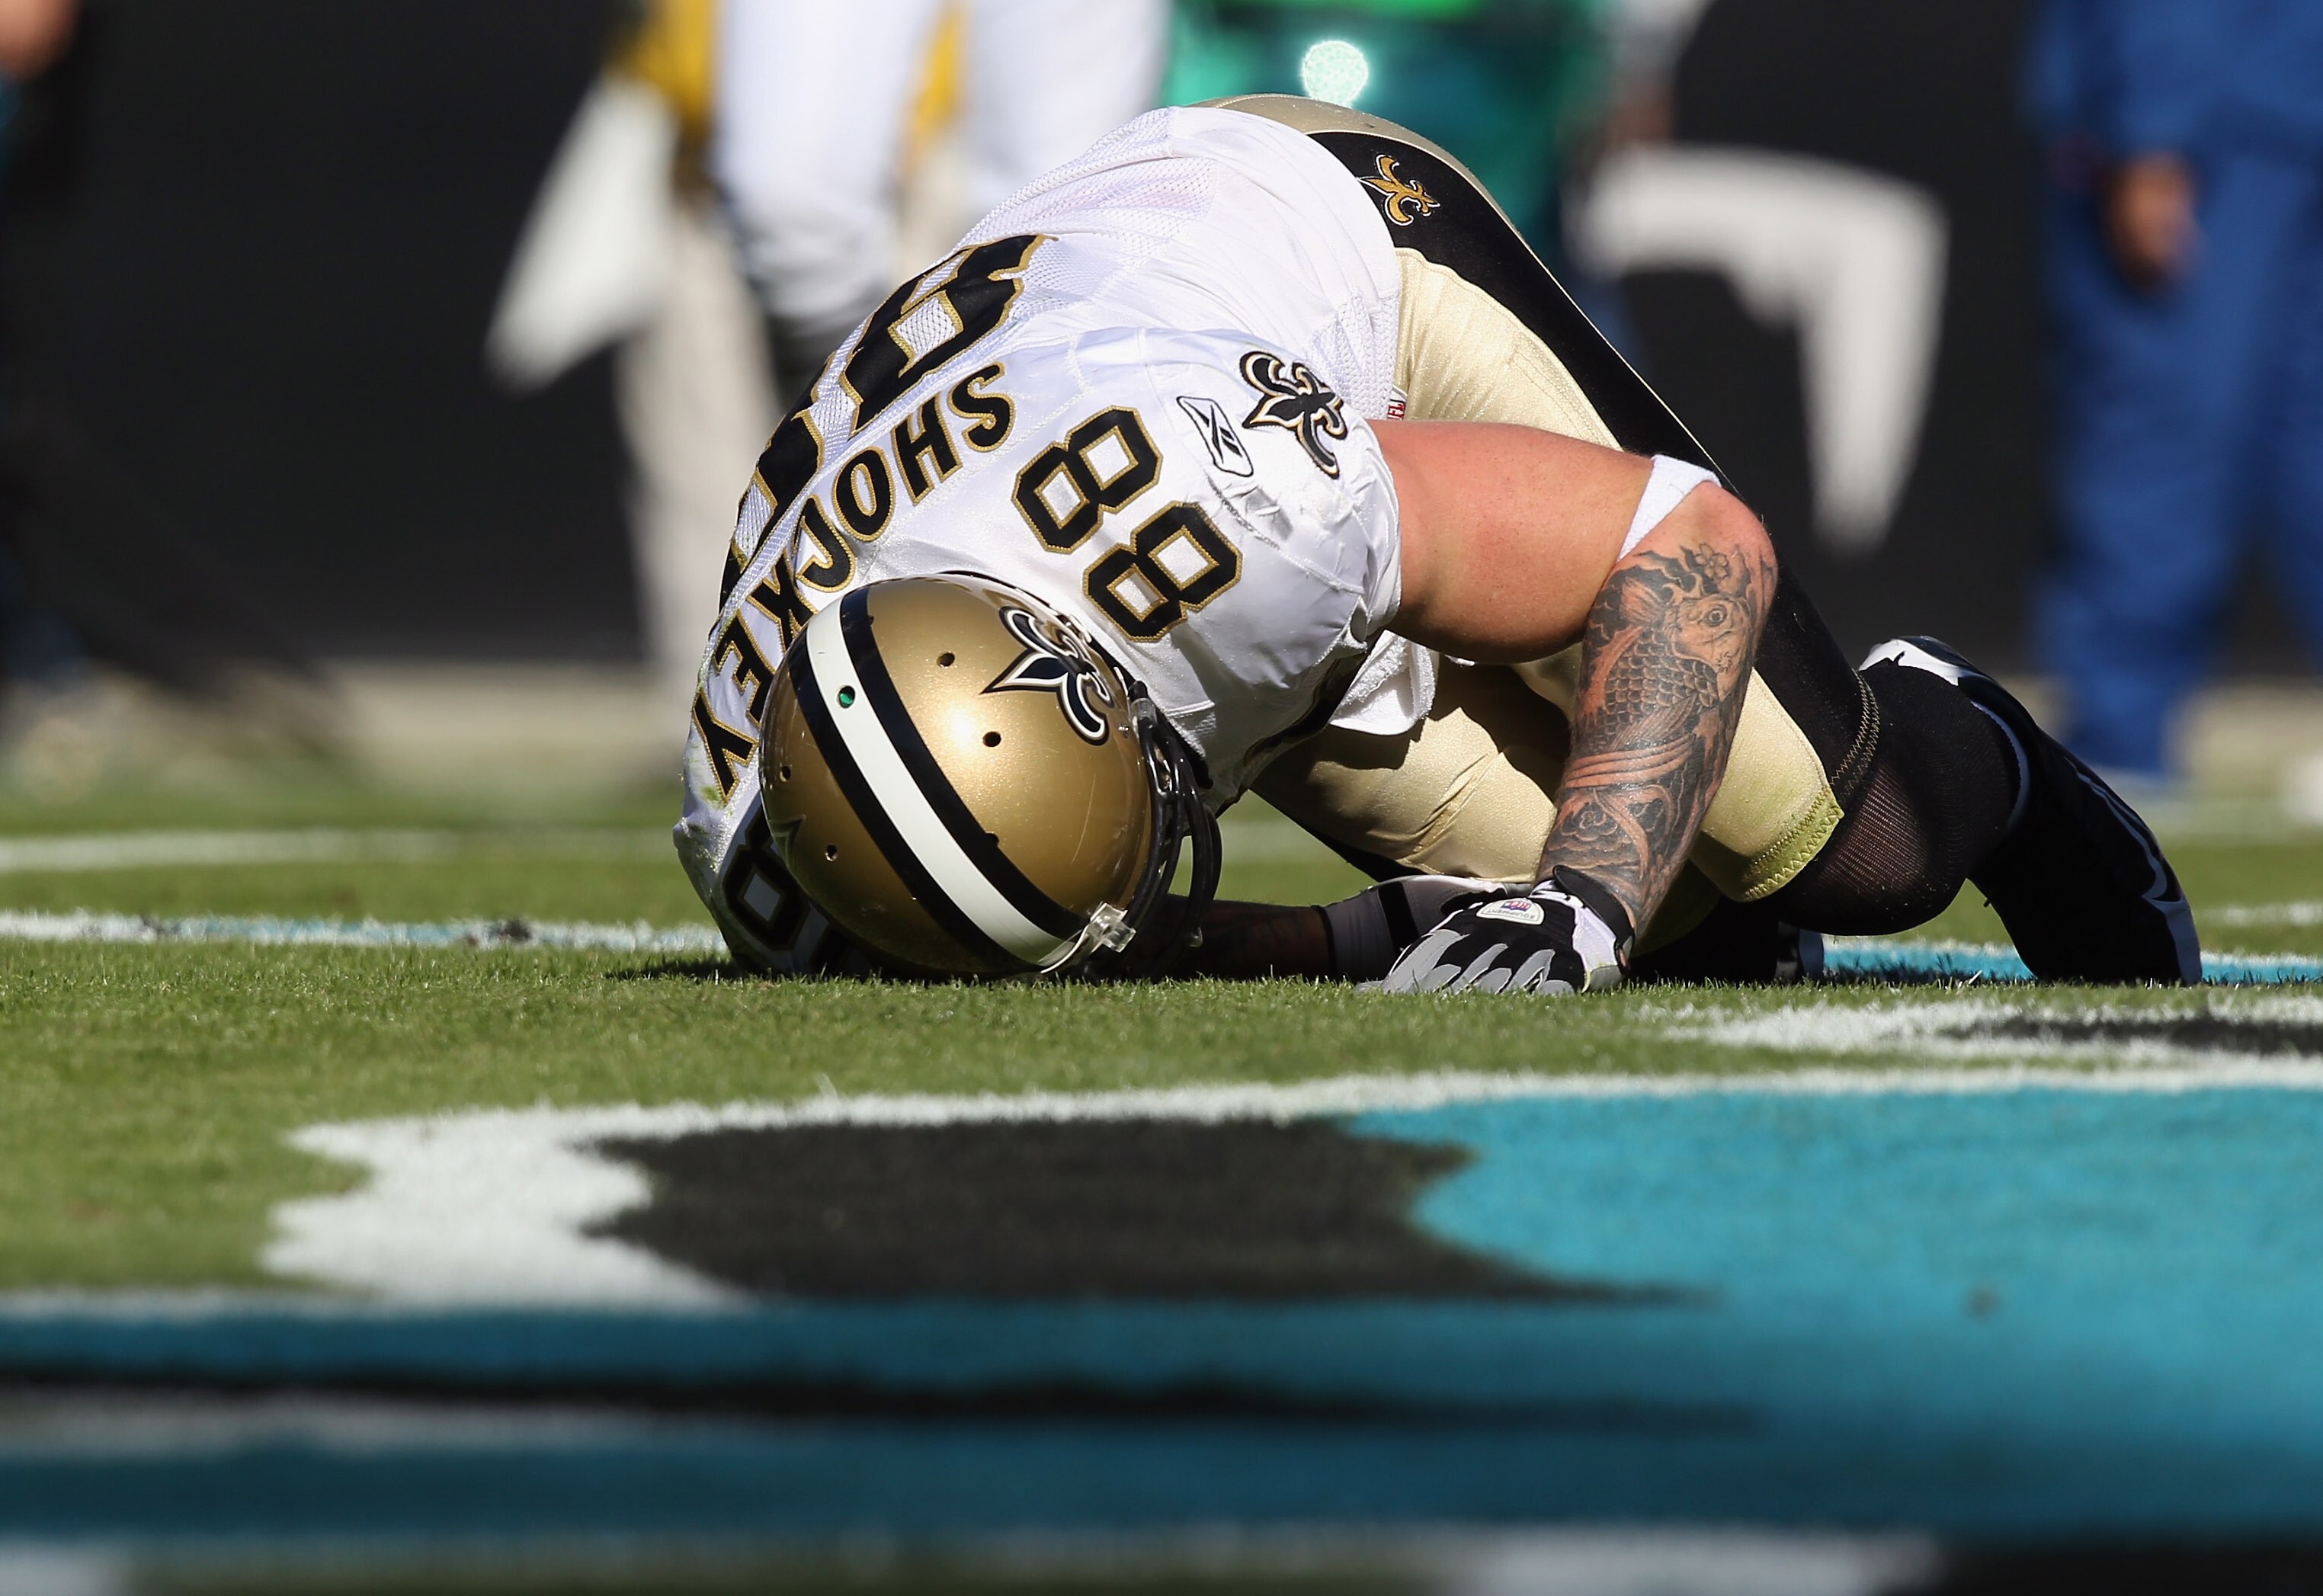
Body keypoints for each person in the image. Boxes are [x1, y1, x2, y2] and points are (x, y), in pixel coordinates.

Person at [674, 96, 2200, 993]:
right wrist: (1313, 939)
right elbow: (1108, 918)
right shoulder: (762, 814)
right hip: (1089, 438)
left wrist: (1579, 907)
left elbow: (1681, 542)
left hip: (1317, 241)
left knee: (1837, 853)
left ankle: (1977, 750)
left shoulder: (1228, 515)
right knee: (1703, 944)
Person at [2029, 0, 2323, 786]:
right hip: (2286, 99)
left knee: (2161, 429)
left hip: (2219, 116)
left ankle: (2119, 738)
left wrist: (2156, 129)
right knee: (2304, 436)